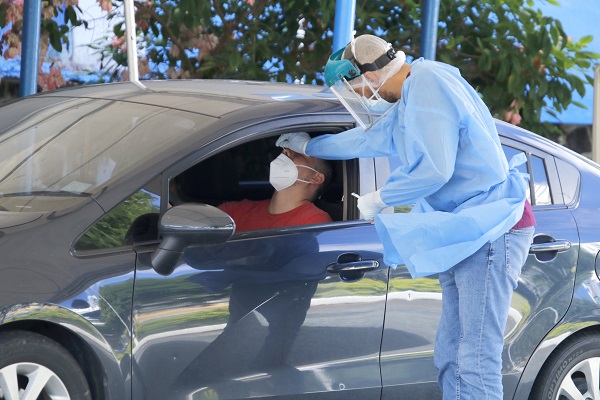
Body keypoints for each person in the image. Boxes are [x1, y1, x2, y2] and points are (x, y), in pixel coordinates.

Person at [276, 34, 536, 400]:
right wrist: (309, 146)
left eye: (357, 89)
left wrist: (381, 198)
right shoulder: (415, 92)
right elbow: (367, 140)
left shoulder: (428, 84)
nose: (363, 99)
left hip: (493, 228)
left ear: (371, 77)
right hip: (464, 228)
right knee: (451, 352)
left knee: (475, 355)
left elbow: (435, 170)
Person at [217, 146, 333, 231]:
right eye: (290, 147)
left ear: (316, 178)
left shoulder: (314, 221)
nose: (286, 150)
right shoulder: (234, 212)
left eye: (300, 152)